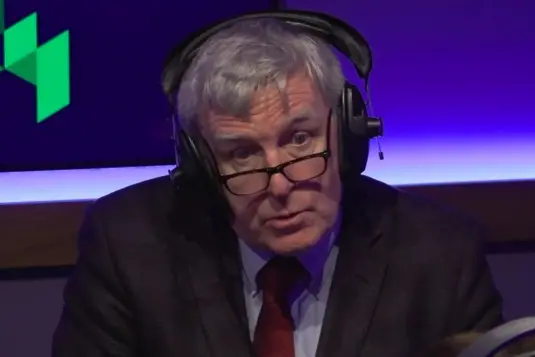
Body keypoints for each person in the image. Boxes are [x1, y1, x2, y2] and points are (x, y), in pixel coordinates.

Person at [52, 11, 503, 357]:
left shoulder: (441, 256)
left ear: (346, 134)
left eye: (300, 139)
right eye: (241, 153)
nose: (281, 185)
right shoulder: (127, 246)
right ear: (201, 167)